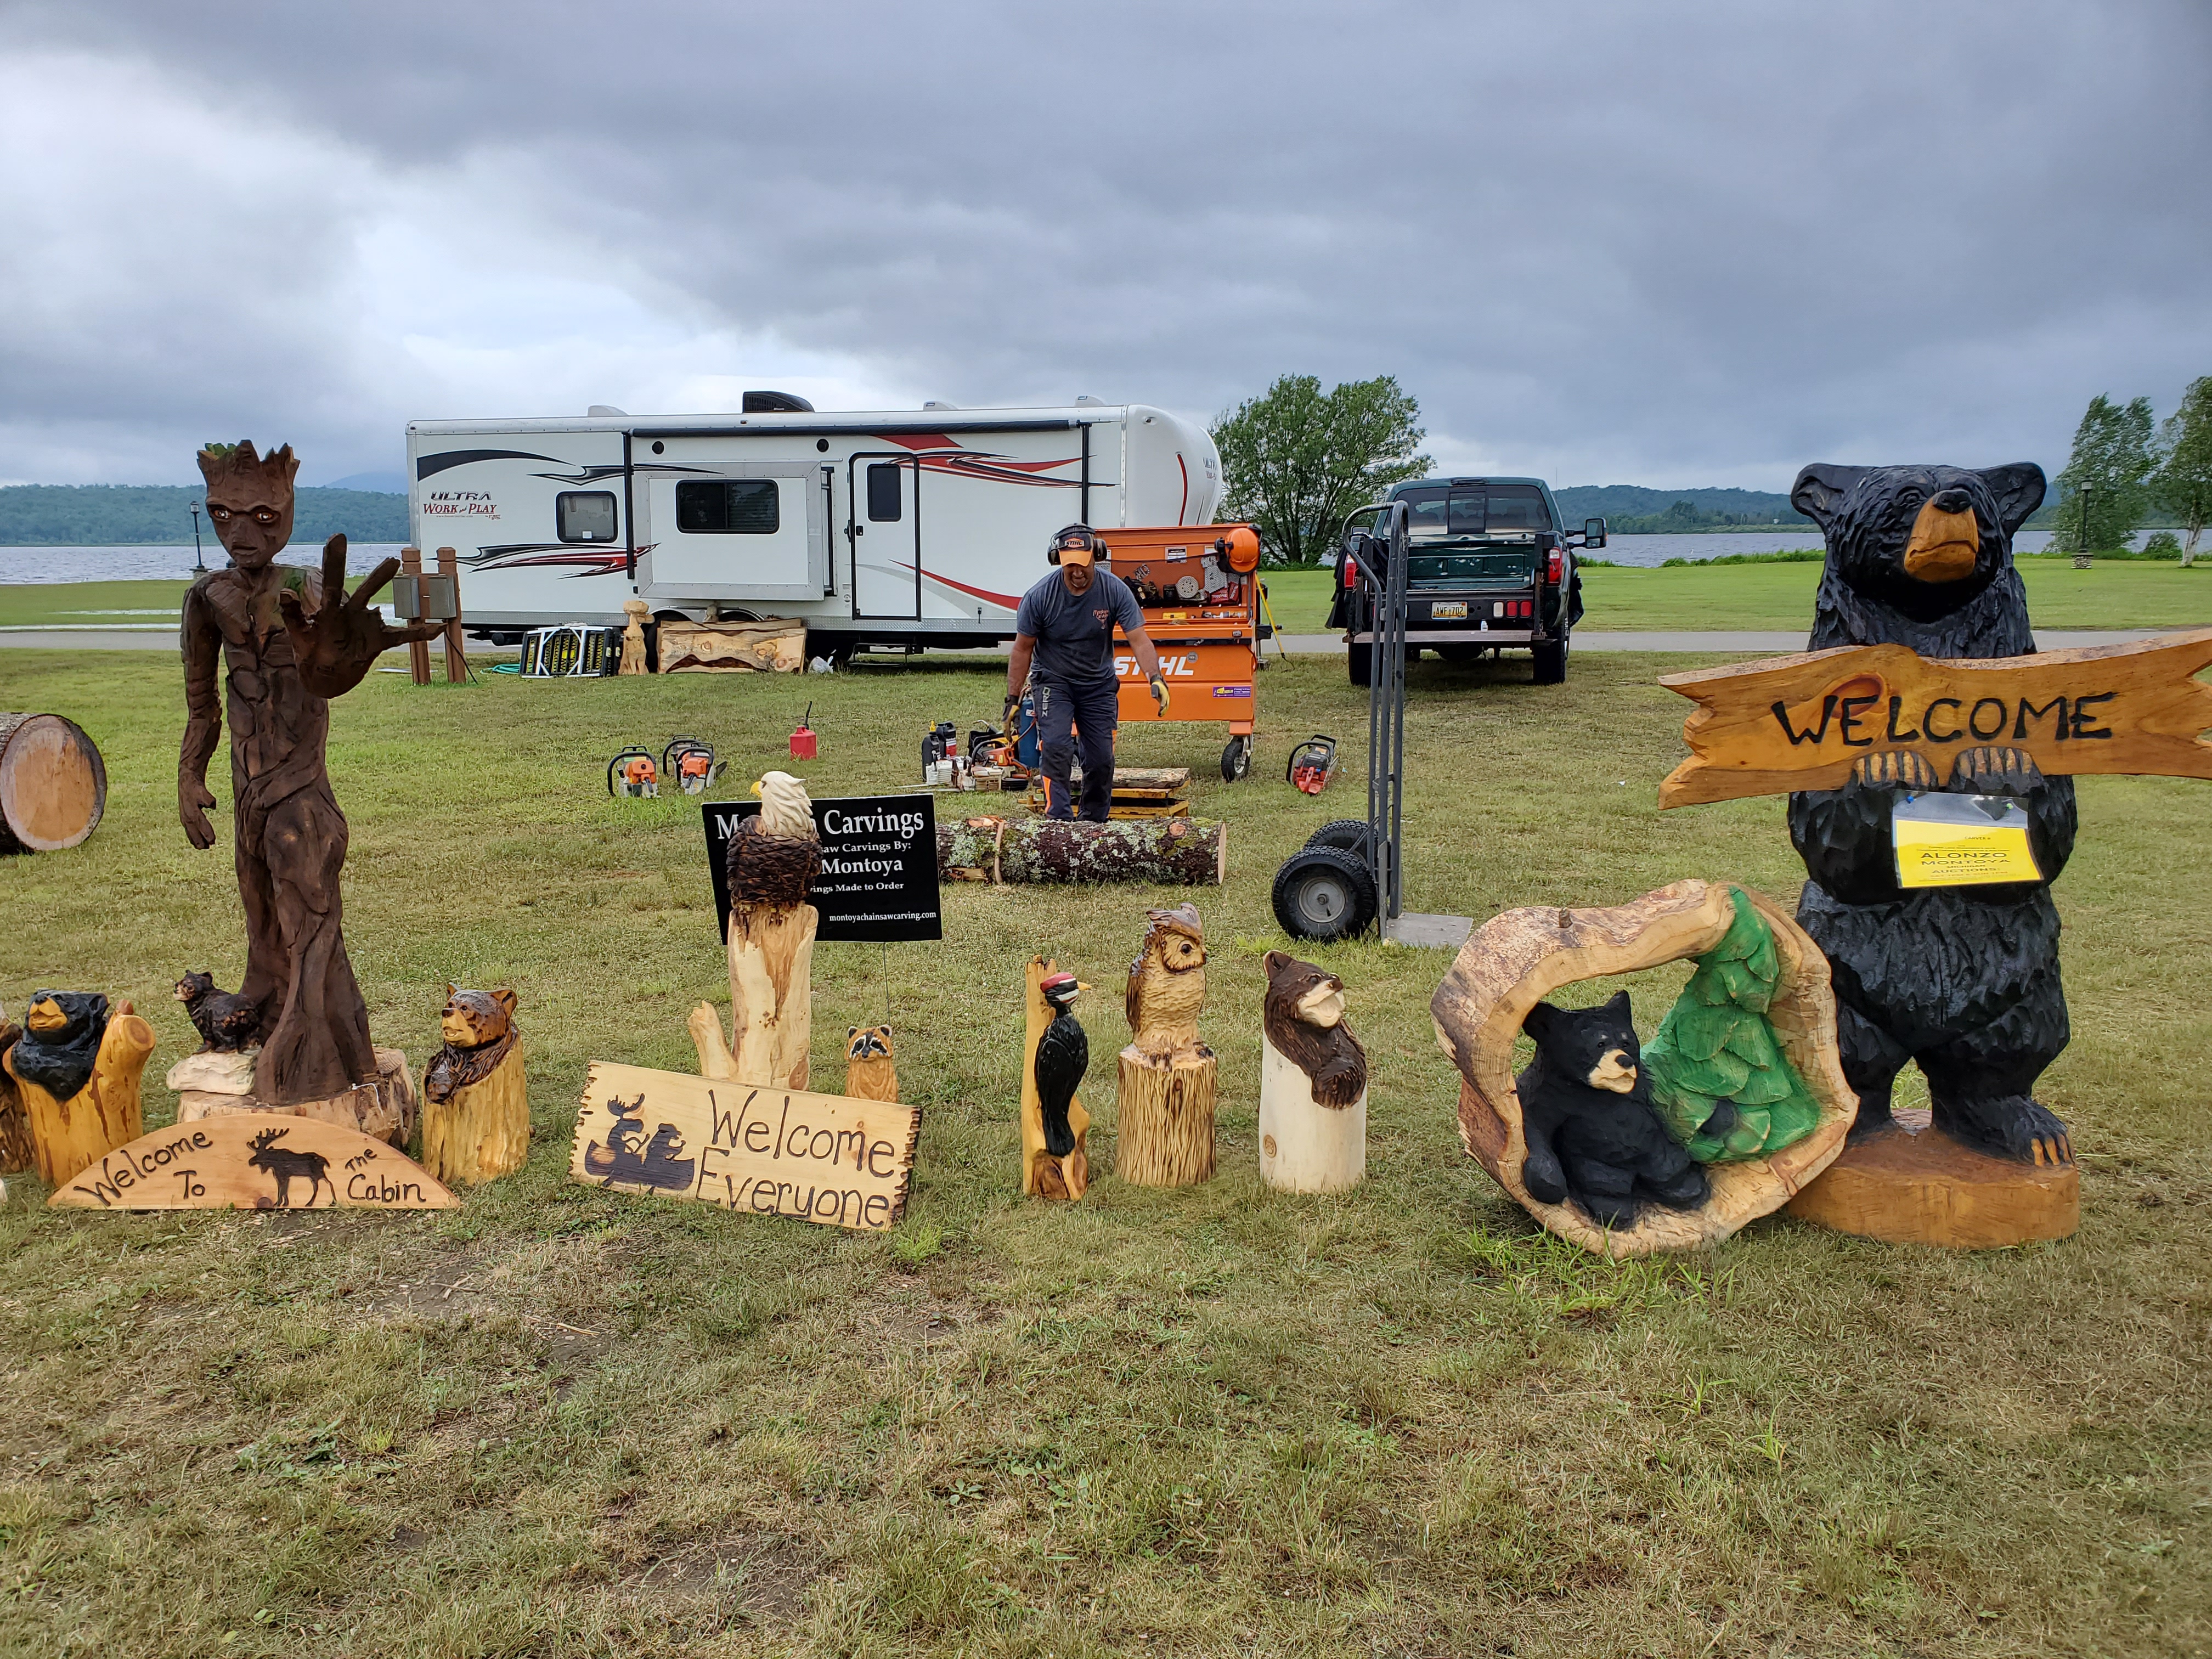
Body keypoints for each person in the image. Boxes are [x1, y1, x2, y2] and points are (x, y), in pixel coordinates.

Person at [179, 441, 440, 1107]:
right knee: (265, 925)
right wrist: (189, 778)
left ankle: (307, 1046)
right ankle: (293, 1020)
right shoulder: (207, 597)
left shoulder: (305, 588)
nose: (241, 534)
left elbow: (327, 678)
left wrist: (340, 658)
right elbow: (203, 704)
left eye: (263, 518)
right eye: (223, 515)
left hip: (299, 794)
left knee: (310, 919)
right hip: (247, 792)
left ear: (288, 512)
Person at [1006, 524, 1171, 822]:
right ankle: (1058, 821)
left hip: (1097, 685)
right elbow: (1022, 650)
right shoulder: (1040, 596)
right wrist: (1013, 698)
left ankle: (1093, 822)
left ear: (1096, 556)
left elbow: (1139, 639)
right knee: (1056, 748)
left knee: (1101, 759)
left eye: (1083, 564)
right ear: (1058, 560)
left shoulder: (1114, 591)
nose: (1077, 572)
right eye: (1070, 565)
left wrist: (1155, 677)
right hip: (1053, 681)